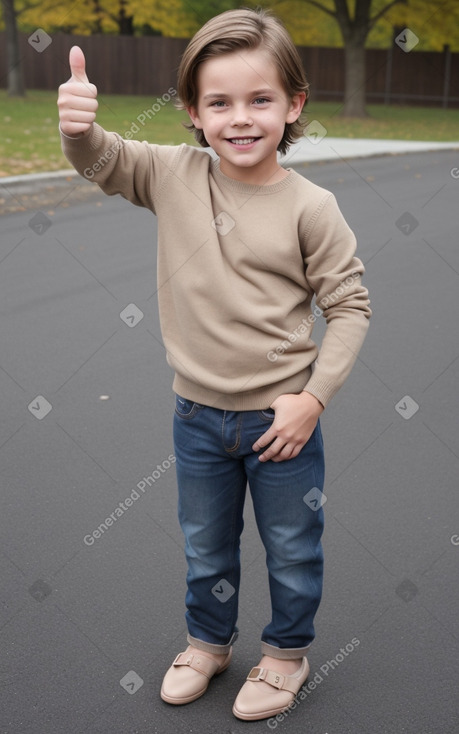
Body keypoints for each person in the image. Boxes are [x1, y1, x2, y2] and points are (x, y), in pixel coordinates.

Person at [57, 7, 371, 722]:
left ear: (293, 105)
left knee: (291, 548)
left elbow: (350, 307)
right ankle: (208, 641)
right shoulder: (171, 175)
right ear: (193, 113)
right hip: (196, 418)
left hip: (282, 422)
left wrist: (313, 398)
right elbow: (104, 160)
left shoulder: (311, 207)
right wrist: (78, 129)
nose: (240, 118)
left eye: (259, 100)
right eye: (218, 102)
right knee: (205, 546)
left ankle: (286, 653)